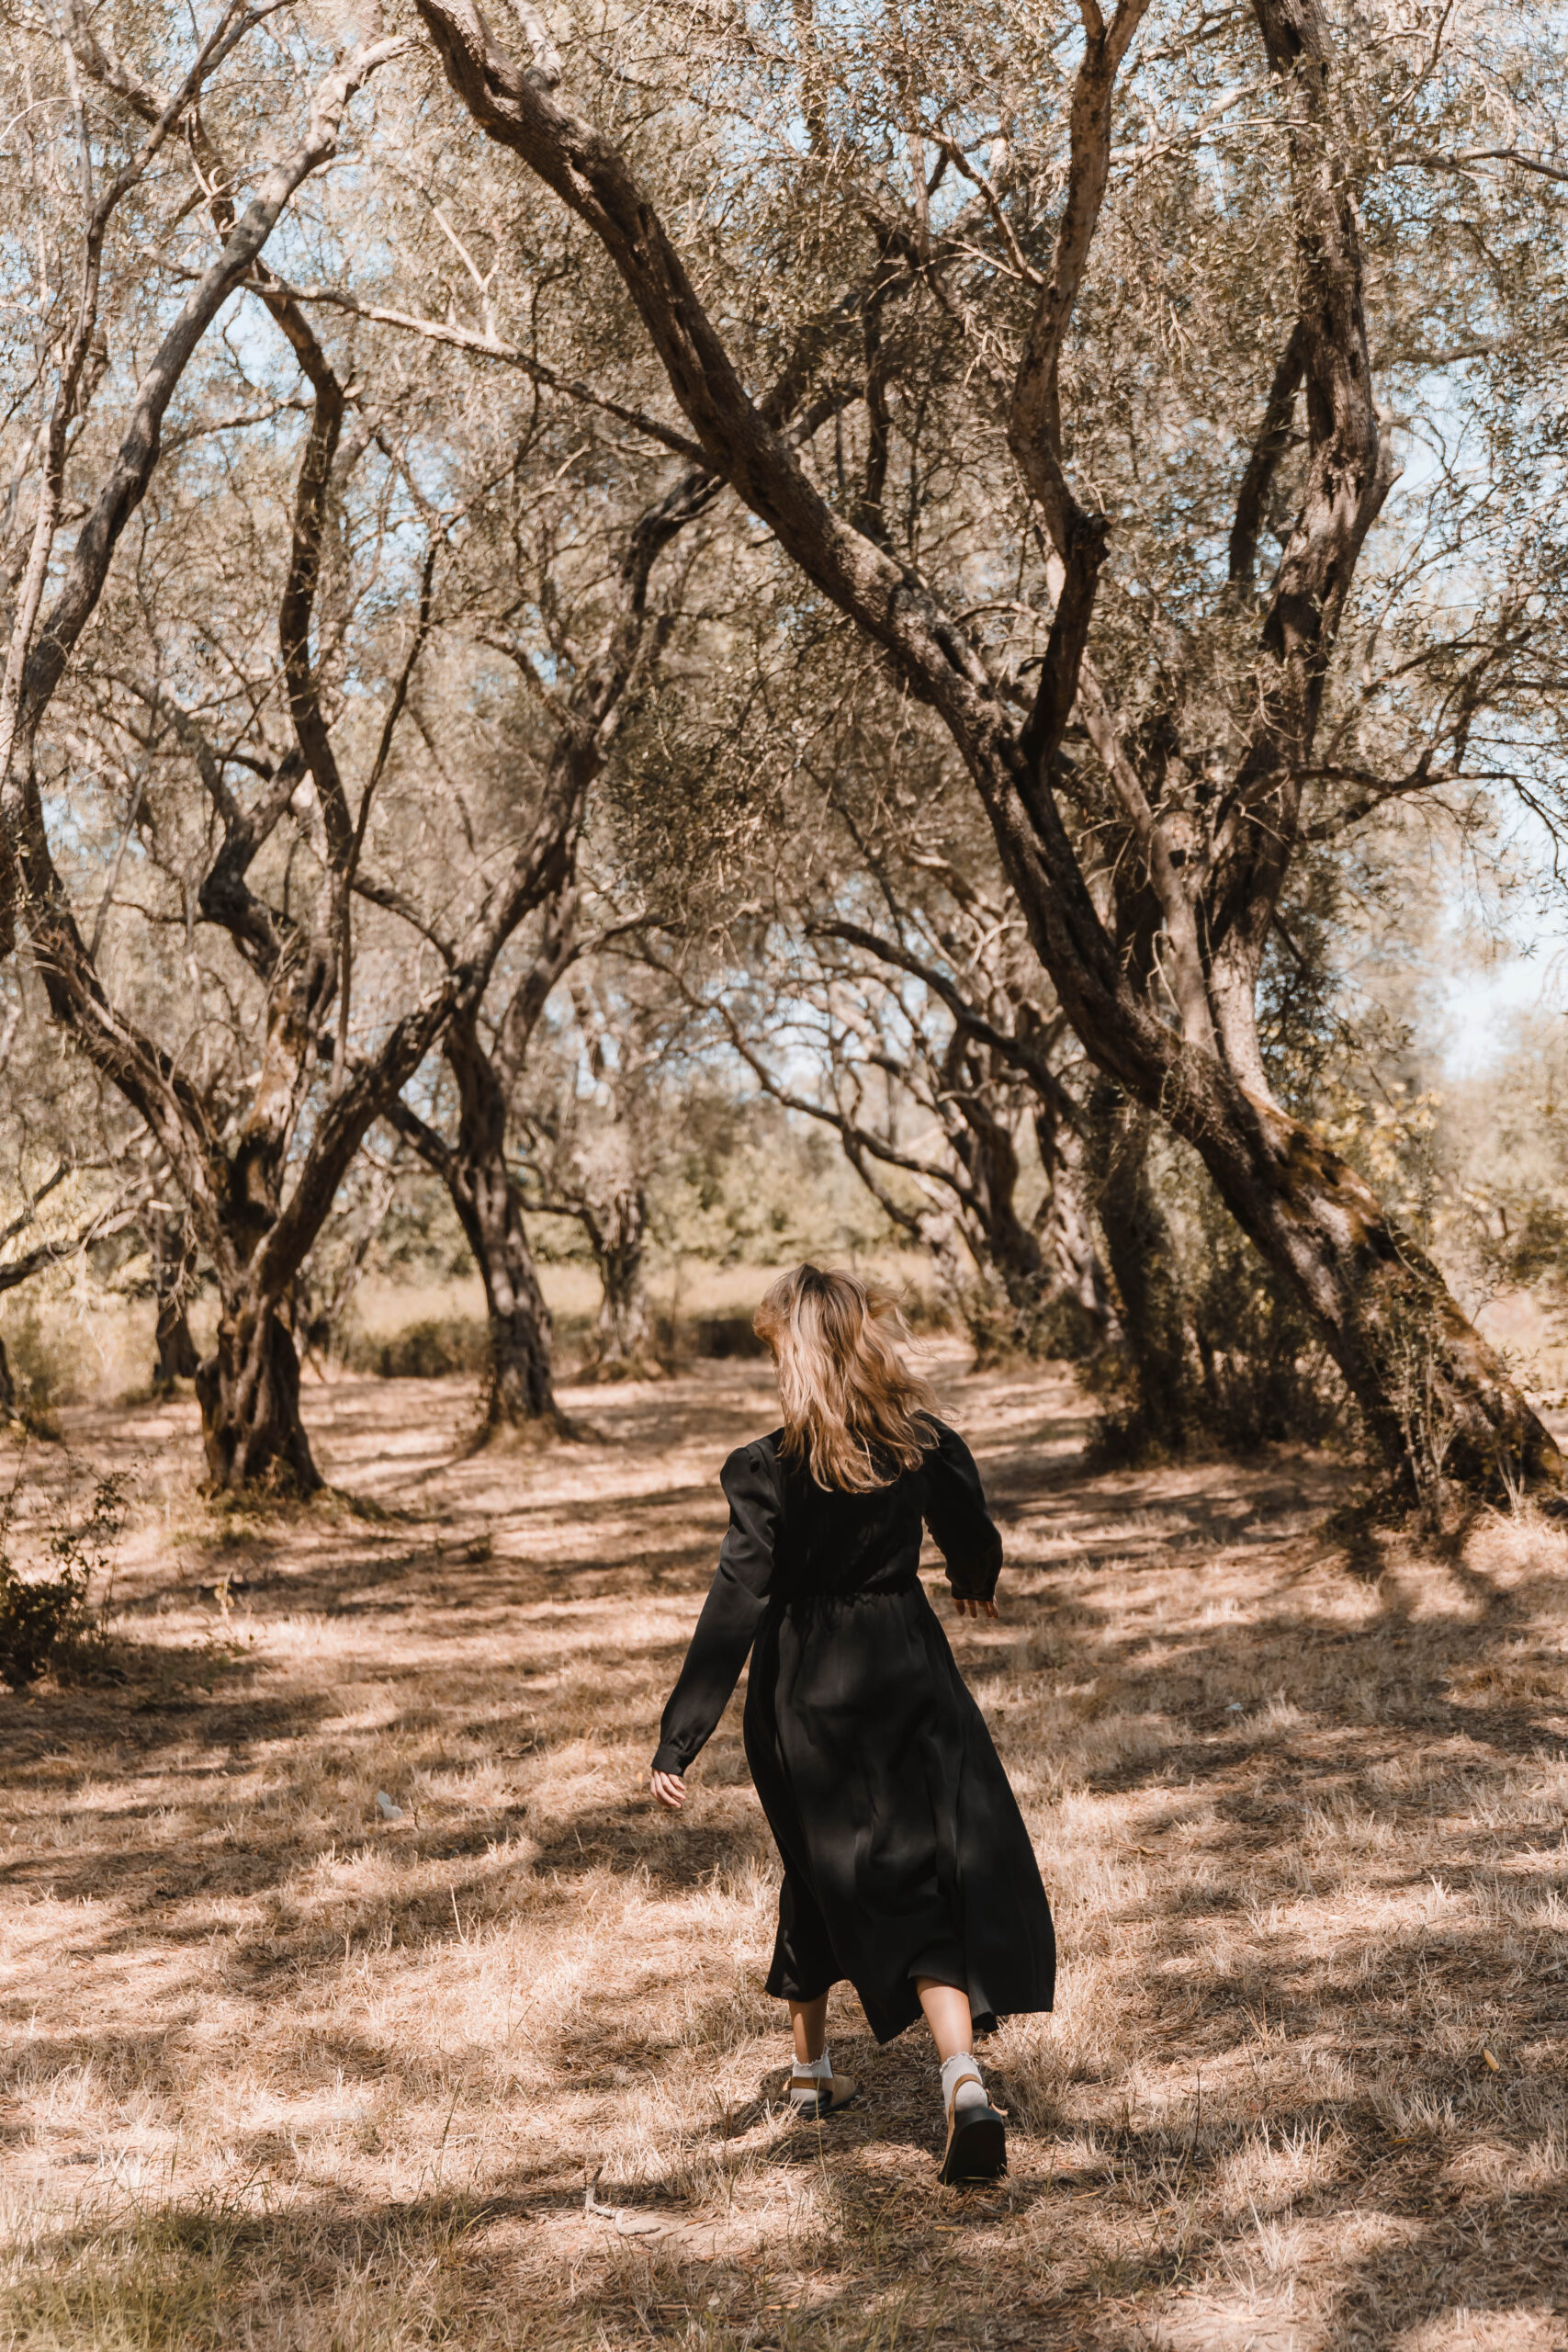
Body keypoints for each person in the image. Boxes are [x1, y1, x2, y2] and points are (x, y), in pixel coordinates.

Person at [649, 1263, 1055, 2185]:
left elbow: (735, 1602)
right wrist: (974, 1577)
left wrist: (682, 1734)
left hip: (802, 1691)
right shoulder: (917, 1444)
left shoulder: (766, 1469)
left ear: (794, 1354)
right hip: (907, 1667)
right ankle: (954, 2075)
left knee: (821, 1860)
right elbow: (969, 1522)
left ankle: (818, 2072)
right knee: (917, 1866)